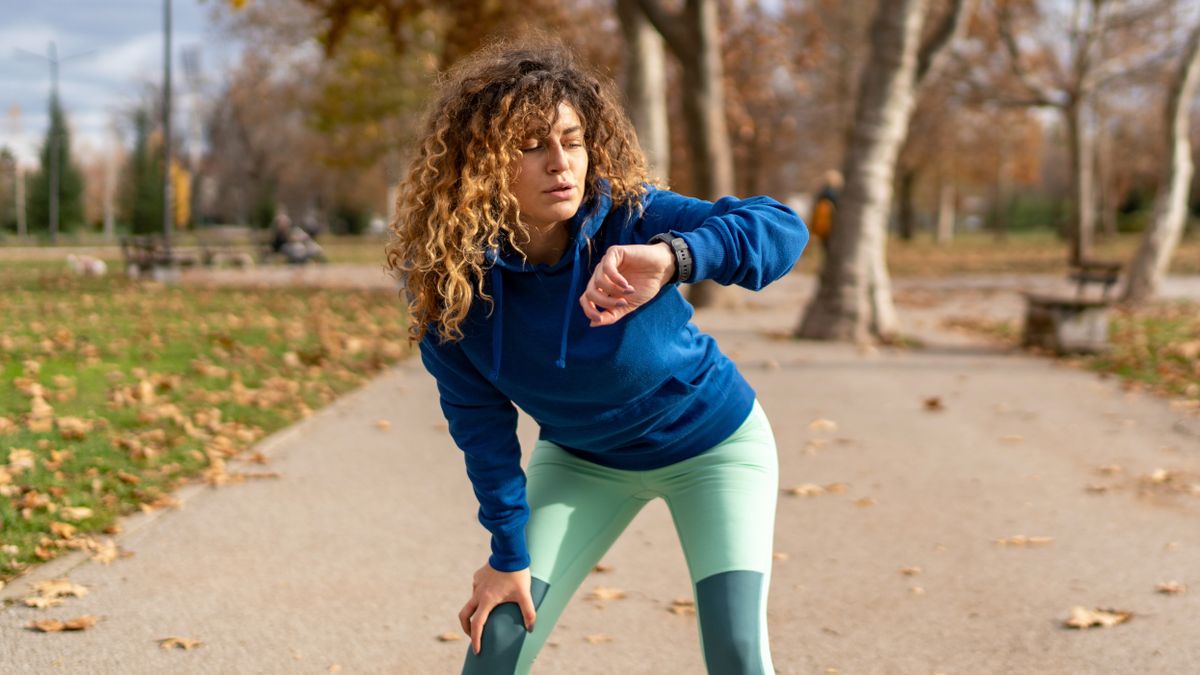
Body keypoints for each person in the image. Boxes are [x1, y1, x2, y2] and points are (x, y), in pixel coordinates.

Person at [385, 41, 808, 674]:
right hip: (584, 462)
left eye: (572, 140)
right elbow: (482, 426)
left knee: (737, 652)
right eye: (531, 145)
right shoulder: (451, 285)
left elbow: (780, 229)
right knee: (496, 648)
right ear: (480, 163)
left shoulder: (634, 218)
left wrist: (672, 260)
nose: (560, 163)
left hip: (715, 449)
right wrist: (507, 555)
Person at [809, 169, 842, 256]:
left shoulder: (822, 193)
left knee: (825, 246)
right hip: (828, 224)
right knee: (829, 246)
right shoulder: (832, 194)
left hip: (822, 225)